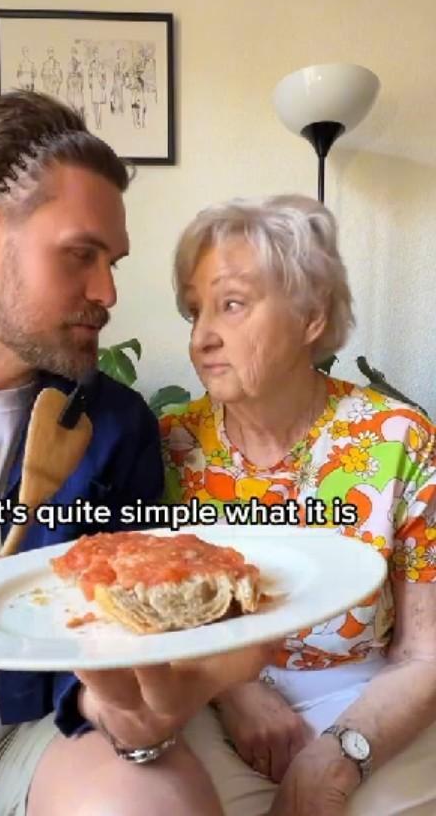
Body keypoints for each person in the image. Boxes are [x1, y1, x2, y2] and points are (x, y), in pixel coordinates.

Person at [0, 90, 272, 816]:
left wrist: (129, 716)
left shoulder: (115, 423)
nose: (106, 292)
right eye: (80, 256)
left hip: (36, 735)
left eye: (113, 262)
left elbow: (111, 641)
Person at [161, 195, 436, 816]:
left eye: (230, 304)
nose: (203, 337)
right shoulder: (173, 444)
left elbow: (425, 653)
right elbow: (156, 623)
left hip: (372, 703)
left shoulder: (397, 440)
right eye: (195, 310)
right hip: (209, 701)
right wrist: (234, 688)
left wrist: (341, 754)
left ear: (311, 317)